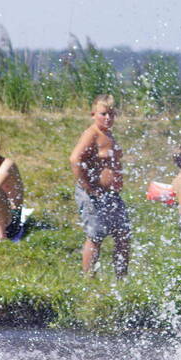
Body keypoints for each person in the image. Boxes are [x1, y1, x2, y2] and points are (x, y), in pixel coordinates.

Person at [70, 94, 130, 277]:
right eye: (103, 114)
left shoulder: (108, 134)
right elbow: (74, 159)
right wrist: (88, 186)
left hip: (111, 194)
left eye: (111, 114)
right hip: (93, 194)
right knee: (96, 236)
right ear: (93, 114)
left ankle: (121, 278)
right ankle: (89, 279)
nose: (108, 118)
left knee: (123, 234)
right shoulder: (92, 134)